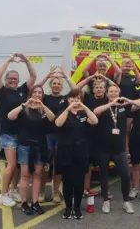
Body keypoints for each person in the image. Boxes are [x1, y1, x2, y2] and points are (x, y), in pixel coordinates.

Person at [94, 85, 140, 214]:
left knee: (125, 174)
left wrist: (129, 100)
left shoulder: (124, 106)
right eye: (111, 91)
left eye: (115, 91)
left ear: (119, 93)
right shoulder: (103, 105)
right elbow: (96, 112)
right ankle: (106, 201)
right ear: (107, 93)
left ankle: (126, 201)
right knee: (104, 175)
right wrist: (111, 103)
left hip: (119, 147)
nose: (113, 93)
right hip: (103, 146)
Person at [0, 53, 37, 207]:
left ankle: (13, 190)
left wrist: (26, 60)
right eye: (10, 78)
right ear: (6, 80)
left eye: (15, 79)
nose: (12, 81)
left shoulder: (22, 90)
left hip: (20, 133)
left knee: (18, 166)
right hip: (7, 133)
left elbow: (33, 75)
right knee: (11, 165)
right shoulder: (0, 91)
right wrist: (9, 60)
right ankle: (3, 195)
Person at [7, 85, 55, 215]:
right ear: (31, 94)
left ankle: (35, 202)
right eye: (35, 92)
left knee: (38, 175)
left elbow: (52, 118)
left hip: (40, 146)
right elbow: (10, 116)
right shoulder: (24, 108)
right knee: (25, 175)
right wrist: (25, 104)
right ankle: (24, 202)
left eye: (40, 93)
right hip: (25, 146)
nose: (38, 95)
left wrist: (42, 106)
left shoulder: (44, 110)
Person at [55, 89, 98, 219]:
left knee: (79, 182)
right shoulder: (63, 112)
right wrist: (68, 108)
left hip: (81, 152)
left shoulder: (84, 113)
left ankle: (77, 208)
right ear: (68, 99)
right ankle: (68, 208)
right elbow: (58, 123)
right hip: (66, 151)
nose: (75, 101)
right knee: (67, 181)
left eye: (78, 98)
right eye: (72, 98)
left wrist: (84, 106)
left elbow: (95, 121)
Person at [36, 66, 76, 203]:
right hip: (46, 135)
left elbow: (75, 90)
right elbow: (35, 88)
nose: (56, 85)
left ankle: (55, 192)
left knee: (58, 166)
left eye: (59, 84)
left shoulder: (65, 99)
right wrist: (48, 76)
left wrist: (65, 77)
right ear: (50, 85)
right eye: (54, 83)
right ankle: (41, 191)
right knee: (46, 165)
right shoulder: (44, 98)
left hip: (61, 135)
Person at [76, 75, 110, 198]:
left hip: (104, 136)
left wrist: (106, 79)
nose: (99, 89)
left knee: (103, 165)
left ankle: (105, 189)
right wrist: (91, 77)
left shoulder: (108, 99)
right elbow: (76, 88)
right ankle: (86, 188)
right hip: (88, 135)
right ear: (93, 89)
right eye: (96, 87)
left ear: (105, 90)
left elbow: (117, 89)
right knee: (88, 165)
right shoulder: (88, 98)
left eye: (101, 87)